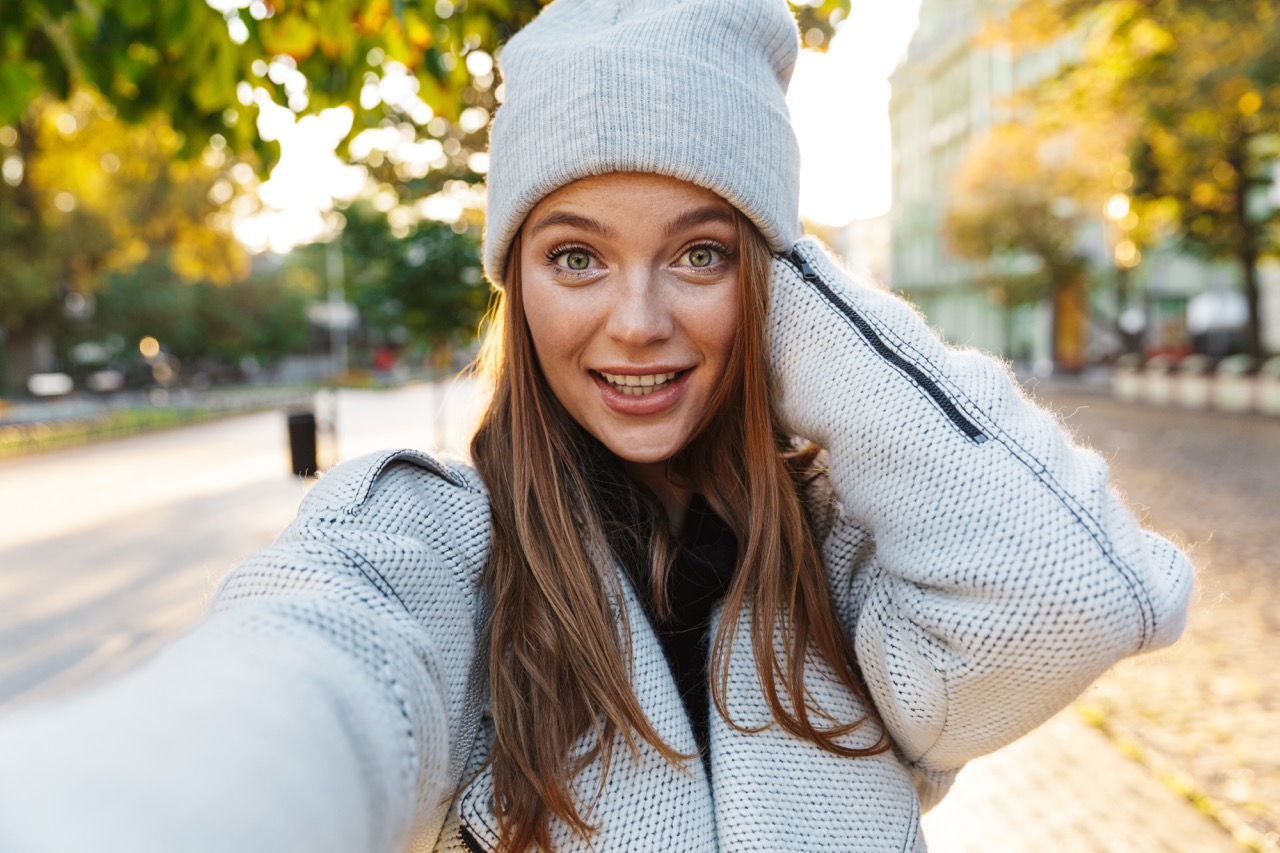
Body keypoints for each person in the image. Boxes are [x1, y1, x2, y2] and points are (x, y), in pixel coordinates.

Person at [0, 0, 1193, 851]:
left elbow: (1076, 595)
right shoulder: (432, 546)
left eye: (696, 253)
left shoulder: (849, 563)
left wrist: (785, 285)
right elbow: (303, 686)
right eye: (574, 254)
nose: (635, 321)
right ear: (512, 283)